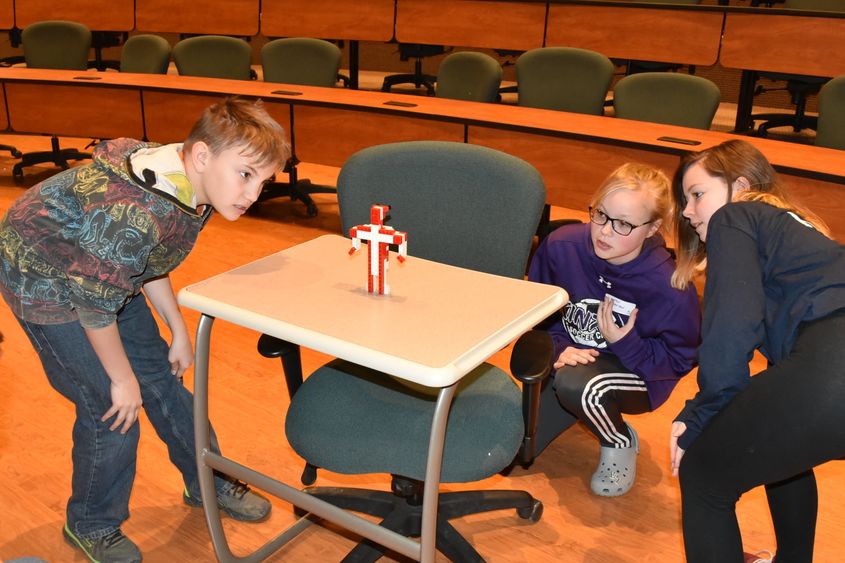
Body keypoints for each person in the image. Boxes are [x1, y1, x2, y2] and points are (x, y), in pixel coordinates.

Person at [0, 97, 290, 563]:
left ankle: (206, 480)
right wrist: (120, 378)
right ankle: (91, 523)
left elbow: (147, 258)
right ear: (201, 156)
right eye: (246, 174)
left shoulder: (191, 182)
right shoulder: (134, 211)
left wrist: (175, 325)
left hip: (101, 272)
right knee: (112, 408)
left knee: (160, 380)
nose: (253, 194)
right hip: (44, 279)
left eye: (264, 180)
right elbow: (96, 303)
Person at [668, 139, 845, 563]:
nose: (687, 212)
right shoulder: (795, 233)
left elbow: (731, 329)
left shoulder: (736, 216)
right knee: (778, 451)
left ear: (740, 185)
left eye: (697, 195)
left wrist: (698, 414)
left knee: (704, 476)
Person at [528, 162, 700, 496]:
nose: (605, 231)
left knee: (582, 387)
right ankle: (577, 403)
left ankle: (618, 438)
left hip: (639, 373)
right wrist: (561, 346)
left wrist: (628, 344)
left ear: (652, 228)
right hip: (570, 358)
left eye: (623, 224)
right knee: (516, 454)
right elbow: (536, 310)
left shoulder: (669, 286)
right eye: (601, 215)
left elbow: (680, 360)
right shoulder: (561, 246)